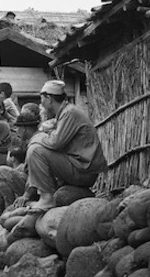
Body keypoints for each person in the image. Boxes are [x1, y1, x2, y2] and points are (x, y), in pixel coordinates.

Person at [25, 80, 107, 212]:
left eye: (42, 99)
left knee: (35, 150)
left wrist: (38, 137)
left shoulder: (69, 113)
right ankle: (48, 194)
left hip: (84, 172)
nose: (41, 104)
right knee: (37, 146)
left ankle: (46, 199)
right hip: (80, 168)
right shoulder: (66, 112)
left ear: (49, 99)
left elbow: (55, 143)